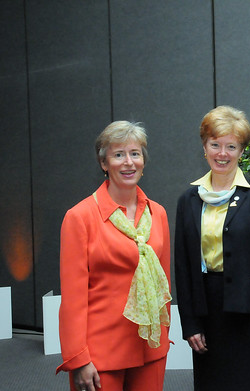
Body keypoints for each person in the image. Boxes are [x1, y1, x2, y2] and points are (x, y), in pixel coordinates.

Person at [174, 105, 250, 391]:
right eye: (215, 145)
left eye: (231, 146)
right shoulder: (188, 200)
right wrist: (189, 323)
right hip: (207, 315)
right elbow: (183, 268)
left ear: (241, 150)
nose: (222, 154)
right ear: (204, 146)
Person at [56, 121, 172, 391]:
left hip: (150, 348)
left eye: (135, 153)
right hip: (100, 355)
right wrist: (78, 358)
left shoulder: (158, 214)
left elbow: (163, 284)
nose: (128, 162)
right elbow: (72, 299)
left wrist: (163, 336)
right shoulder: (80, 217)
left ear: (143, 161)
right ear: (104, 164)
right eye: (118, 155)